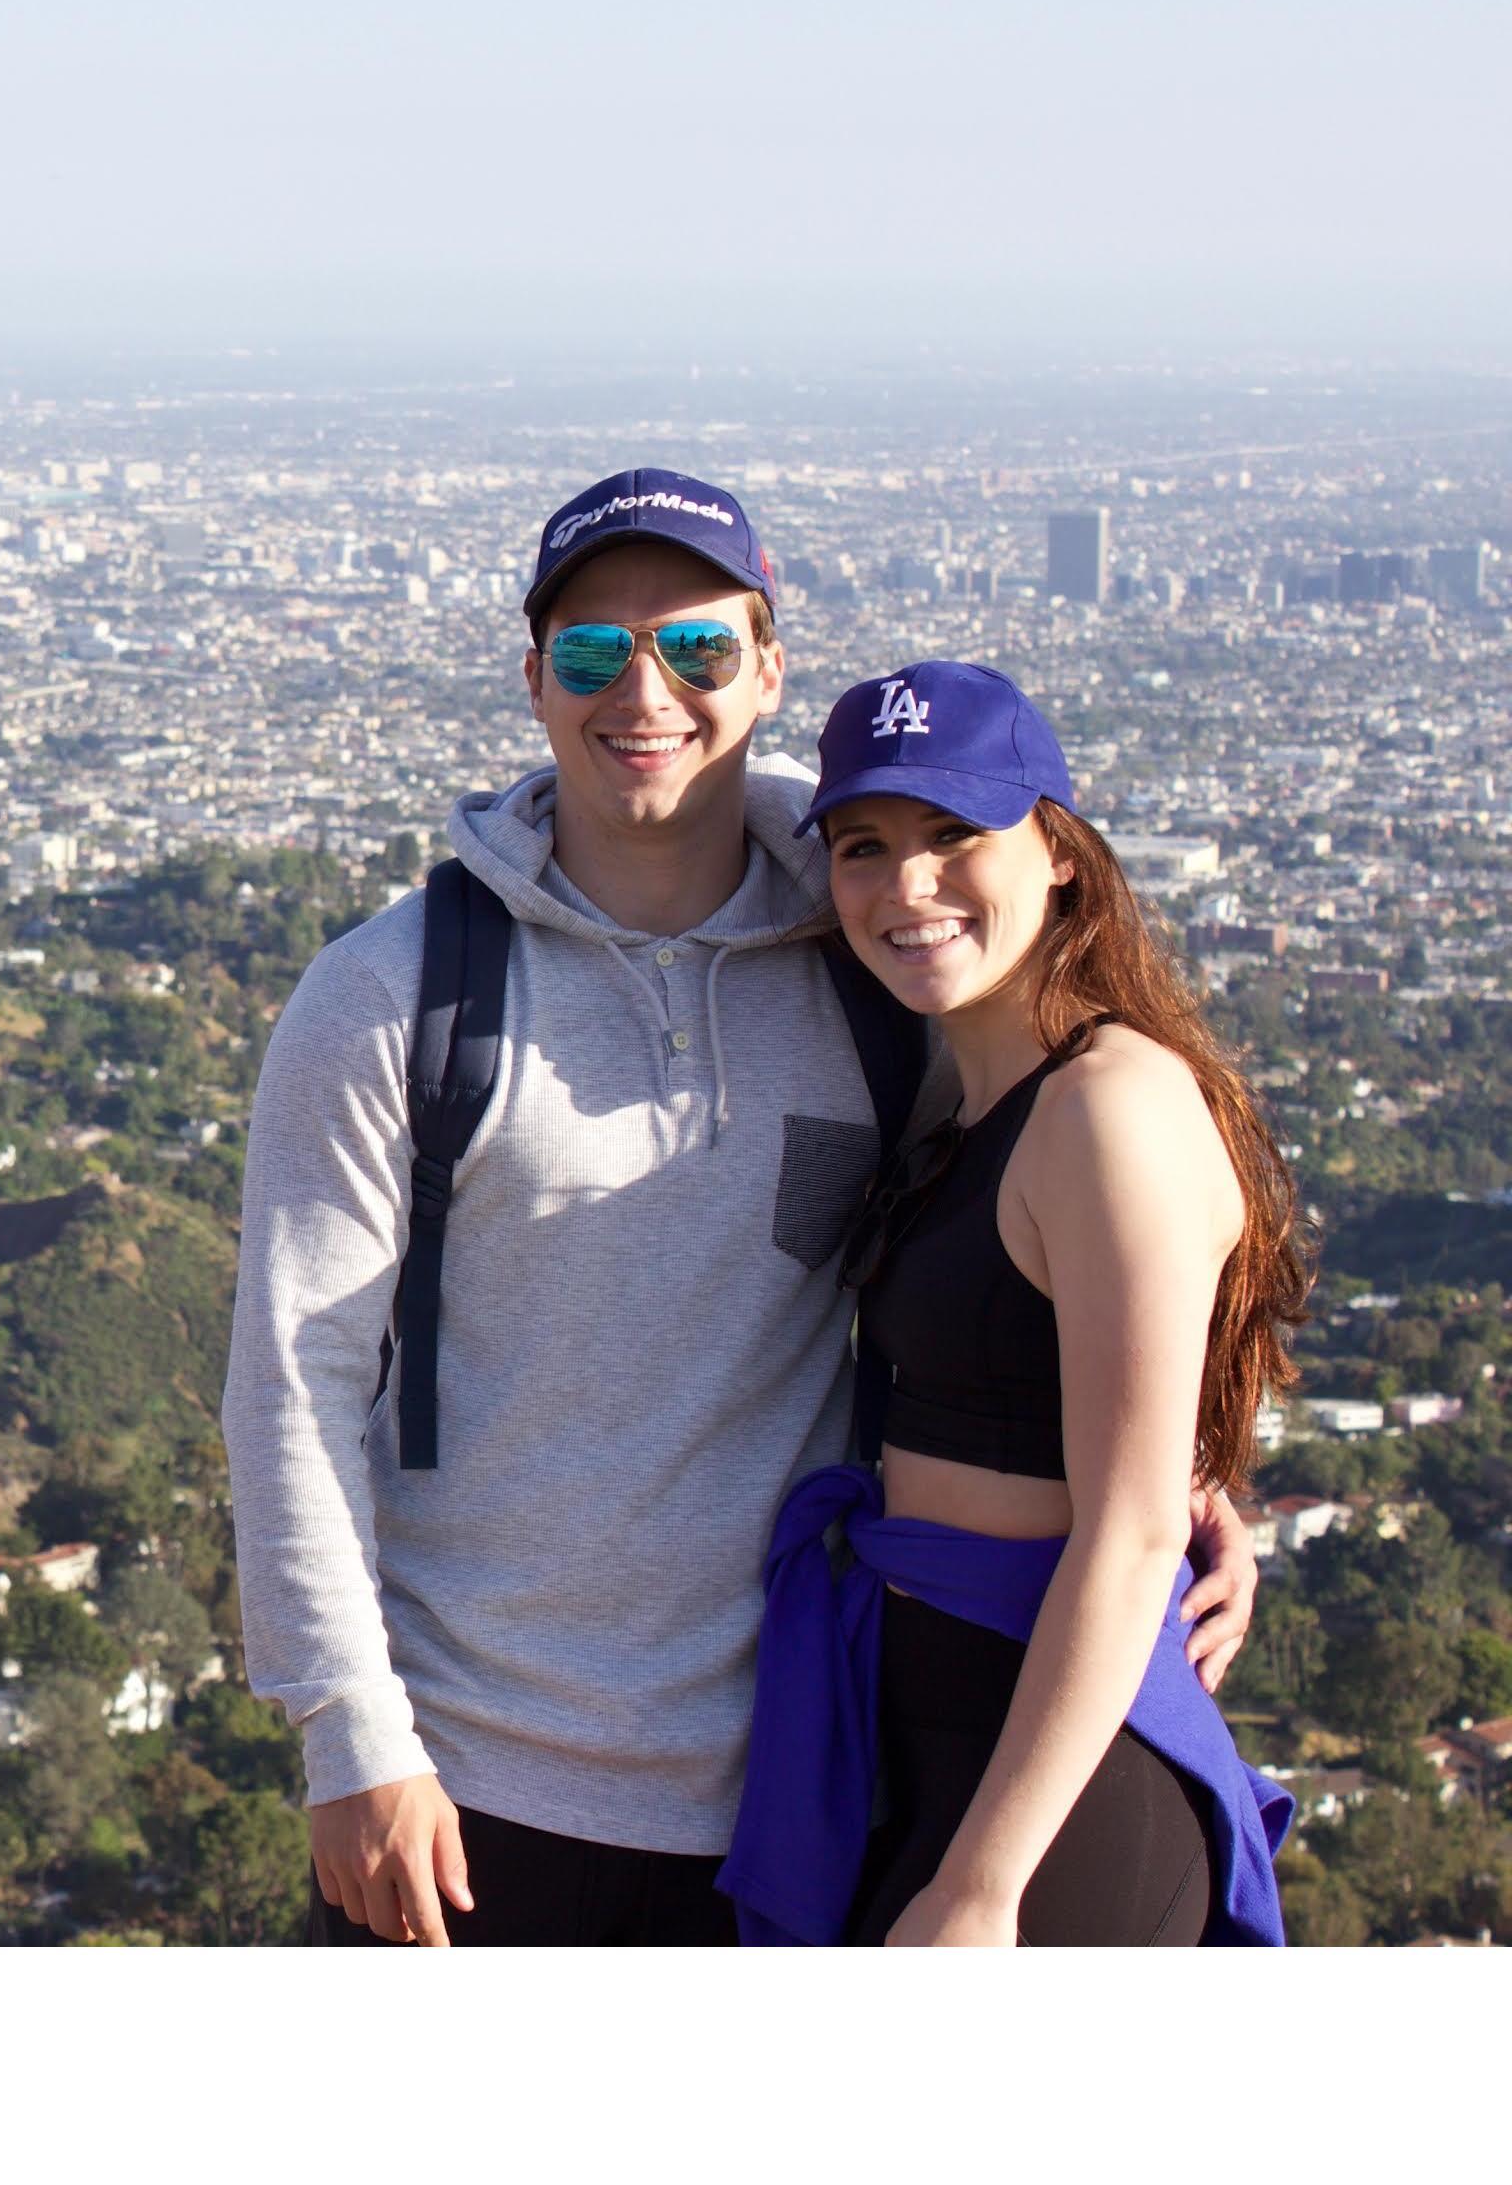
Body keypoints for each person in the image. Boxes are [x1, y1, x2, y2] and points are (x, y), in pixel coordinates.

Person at [220, 468, 1258, 1947]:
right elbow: (290, 1385)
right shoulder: (392, 998)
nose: (646, 689)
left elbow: (1024, 1271)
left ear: (770, 668)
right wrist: (349, 1735)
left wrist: (1176, 1480)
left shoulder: (875, 966)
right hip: (472, 1777)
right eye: (592, 652)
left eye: (699, 648)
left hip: (807, 1777)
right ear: (532, 681)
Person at [717, 661, 1300, 1946]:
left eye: (954, 836)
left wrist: (986, 1884)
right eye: (864, 847)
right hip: (933, 1722)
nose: (907, 885)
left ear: (1065, 856)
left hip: (1054, 1782)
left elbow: (1129, 1534)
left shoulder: (1108, 1107)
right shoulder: (968, 1100)